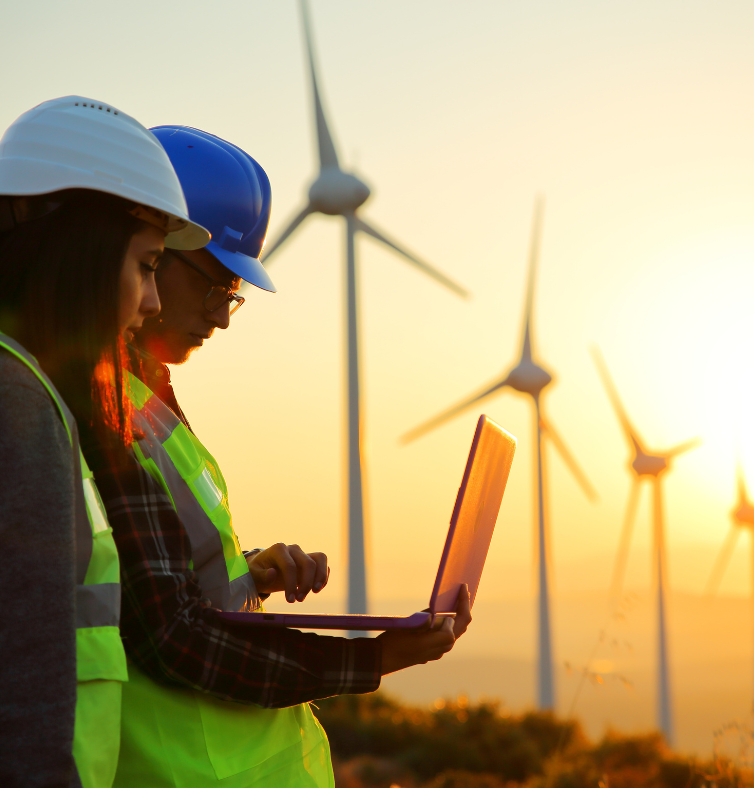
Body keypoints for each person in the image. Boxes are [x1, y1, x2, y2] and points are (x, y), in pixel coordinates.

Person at [94, 126, 471, 788]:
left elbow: (153, 575)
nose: (224, 315)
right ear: (146, 250)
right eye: (214, 283)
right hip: (182, 771)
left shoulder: (150, 398)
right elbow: (166, 635)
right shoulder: (99, 409)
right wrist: (373, 661)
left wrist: (247, 574)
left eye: (234, 295)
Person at [0, 97, 209, 788]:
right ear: (82, 251)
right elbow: (27, 674)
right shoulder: (17, 405)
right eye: (149, 264)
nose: (151, 301)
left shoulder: (29, 390)